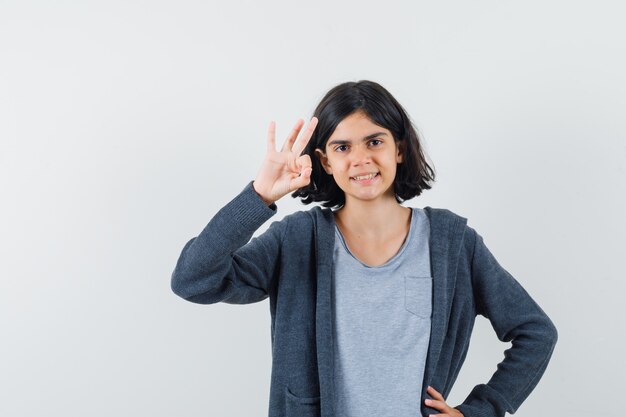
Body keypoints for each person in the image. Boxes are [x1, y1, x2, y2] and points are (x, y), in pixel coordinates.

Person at [170, 80, 558, 417]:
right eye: (342, 148)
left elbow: (535, 331)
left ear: (399, 149)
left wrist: (482, 409)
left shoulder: (451, 243)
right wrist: (258, 197)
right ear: (323, 160)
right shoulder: (296, 240)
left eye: (375, 141)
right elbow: (194, 279)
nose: (361, 159)